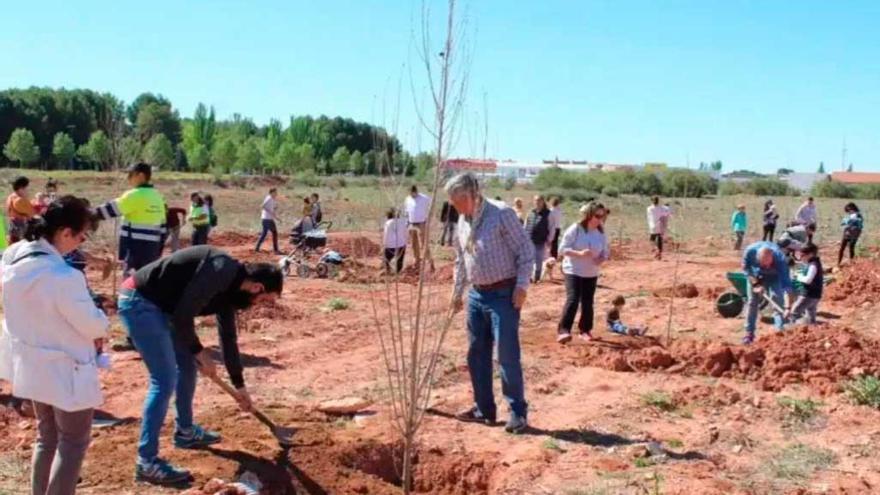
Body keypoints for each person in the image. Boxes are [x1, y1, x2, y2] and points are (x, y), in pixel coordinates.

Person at [117, 246, 283, 485]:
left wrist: (240, 386)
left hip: (166, 310)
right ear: (258, 287)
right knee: (164, 380)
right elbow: (183, 315)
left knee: (187, 368)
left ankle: (185, 432)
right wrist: (199, 351)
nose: (258, 304)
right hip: (141, 302)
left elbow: (228, 337)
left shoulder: (231, 290)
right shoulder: (221, 270)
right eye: (263, 300)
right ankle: (146, 462)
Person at [0, 196, 110, 495]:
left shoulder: (11, 257)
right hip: (66, 370)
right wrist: (102, 316)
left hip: (30, 365)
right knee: (73, 442)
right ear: (65, 233)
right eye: (81, 234)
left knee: (46, 437)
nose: (82, 241)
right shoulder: (64, 276)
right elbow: (92, 325)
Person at [447, 172, 532, 434]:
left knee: (506, 355)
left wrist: (521, 286)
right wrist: (457, 292)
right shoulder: (462, 220)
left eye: (459, 201)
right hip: (476, 295)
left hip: (503, 295)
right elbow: (461, 260)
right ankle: (484, 408)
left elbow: (526, 251)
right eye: (453, 202)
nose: (456, 207)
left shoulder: (502, 214)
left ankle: (517, 413)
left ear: (472, 194)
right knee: (476, 353)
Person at [95, 163, 166, 275]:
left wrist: (87, 213)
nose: (128, 178)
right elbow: (163, 229)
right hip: (152, 249)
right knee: (146, 280)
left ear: (141, 175)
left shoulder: (135, 195)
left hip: (135, 248)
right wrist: (158, 251)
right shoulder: (157, 197)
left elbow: (109, 210)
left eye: (130, 174)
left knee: (131, 282)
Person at [556, 202, 610, 343]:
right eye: (597, 216)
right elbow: (562, 249)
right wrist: (579, 253)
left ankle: (585, 330)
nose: (600, 219)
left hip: (591, 271)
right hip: (573, 269)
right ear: (589, 215)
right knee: (573, 299)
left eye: (602, 216)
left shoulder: (601, 233)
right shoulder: (576, 229)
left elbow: (605, 251)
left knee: (587, 302)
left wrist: (601, 259)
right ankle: (564, 331)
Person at [741, 241, 794, 344]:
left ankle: (779, 332)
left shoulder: (780, 260)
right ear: (757, 258)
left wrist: (788, 307)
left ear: (772, 258)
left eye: (768, 264)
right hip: (755, 275)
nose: (766, 266)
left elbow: (787, 286)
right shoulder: (749, 252)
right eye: (763, 264)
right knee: (752, 302)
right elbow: (746, 269)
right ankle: (749, 333)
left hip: (775, 277)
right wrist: (756, 284)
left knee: (777, 300)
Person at [788, 243, 823, 325]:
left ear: (810, 254)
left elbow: (808, 280)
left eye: (802, 255)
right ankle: (813, 332)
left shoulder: (813, 265)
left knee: (794, 313)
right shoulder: (814, 262)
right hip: (815, 294)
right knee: (811, 317)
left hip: (808, 295)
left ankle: (791, 332)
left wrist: (797, 277)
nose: (801, 257)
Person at [524, 195, 552, 283]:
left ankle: (537, 277)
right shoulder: (531, 212)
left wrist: (549, 239)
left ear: (543, 202)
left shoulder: (548, 213)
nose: (537, 202)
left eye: (539, 201)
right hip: (529, 239)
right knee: (528, 259)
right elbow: (526, 224)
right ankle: (528, 277)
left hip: (540, 240)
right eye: (536, 201)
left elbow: (551, 227)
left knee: (538, 259)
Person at [404, 185, 432, 268]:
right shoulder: (407, 199)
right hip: (411, 223)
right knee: (413, 243)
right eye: (410, 193)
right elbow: (407, 211)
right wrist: (407, 222)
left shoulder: (424, 198)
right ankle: (416, 261)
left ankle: (429, 261)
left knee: (423, 243)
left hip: (422, 223)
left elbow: (431, 206)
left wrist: (429, 217)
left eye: (412, 193)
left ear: (415, 191)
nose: (411, 195)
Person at [6, 176, 36, 244]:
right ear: (21, 188)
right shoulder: (20, 200)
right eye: (26, 187)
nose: (28, 190)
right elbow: (32, 213)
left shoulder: (11, 196)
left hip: (13, 226)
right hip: (20, 228)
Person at [255, 188, 281, 254]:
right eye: (275, 192)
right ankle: (275, 250)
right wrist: (271, 212)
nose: (276, 194)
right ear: (271, 192)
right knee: (274, 233)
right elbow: (263, 206)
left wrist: (276, 217)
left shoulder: (272, 199)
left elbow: (272, 210)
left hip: (266, 219)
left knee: (264, 234)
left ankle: (257, 248)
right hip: (267, 219)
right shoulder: (269, 198)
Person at [382, 208, 408, 274]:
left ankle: (387, 270)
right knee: (400, 260)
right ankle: (398, 272)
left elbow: (386, 235)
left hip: (390, 246)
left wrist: (384, 245)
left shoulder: (387, 223)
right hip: (401, 245)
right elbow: (405, 232)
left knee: (386, 259)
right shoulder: (403, 221)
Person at [646, 196, 670, 260]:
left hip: (652, 225)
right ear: (658, 201)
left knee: (652, 239)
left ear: (652, 201)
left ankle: (655, 249)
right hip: (660, 225)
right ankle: (659, 253)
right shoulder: (662, 208)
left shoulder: (649, 208)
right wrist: (667, 207)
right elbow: (666, 213)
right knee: (660, 239)